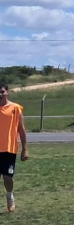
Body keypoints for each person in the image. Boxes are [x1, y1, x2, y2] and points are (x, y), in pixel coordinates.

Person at [0, 84, 28, 213]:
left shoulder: (15, 108)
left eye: (2, 92)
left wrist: (24, 149)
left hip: (8, 148)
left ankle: (10, 196)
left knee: (7, 177)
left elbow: (21, 131)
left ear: (7, 92)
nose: (0, 94)